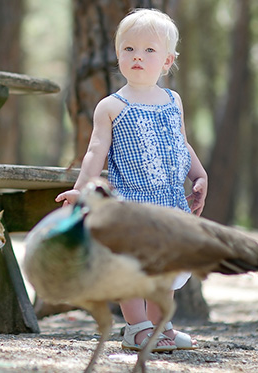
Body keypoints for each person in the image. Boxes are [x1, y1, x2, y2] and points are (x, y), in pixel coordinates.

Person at [55, 8, 208, 352]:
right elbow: (96, 151)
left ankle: (159, 327)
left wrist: (199, 174)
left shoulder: (173, 100)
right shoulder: (111, 106)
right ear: (118, 54)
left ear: (167, 60)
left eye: (149, 50)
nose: (138, 56)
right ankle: (135, 327)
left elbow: (181, 143)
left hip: (171, 201)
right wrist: (80, 190)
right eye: (129, 49)